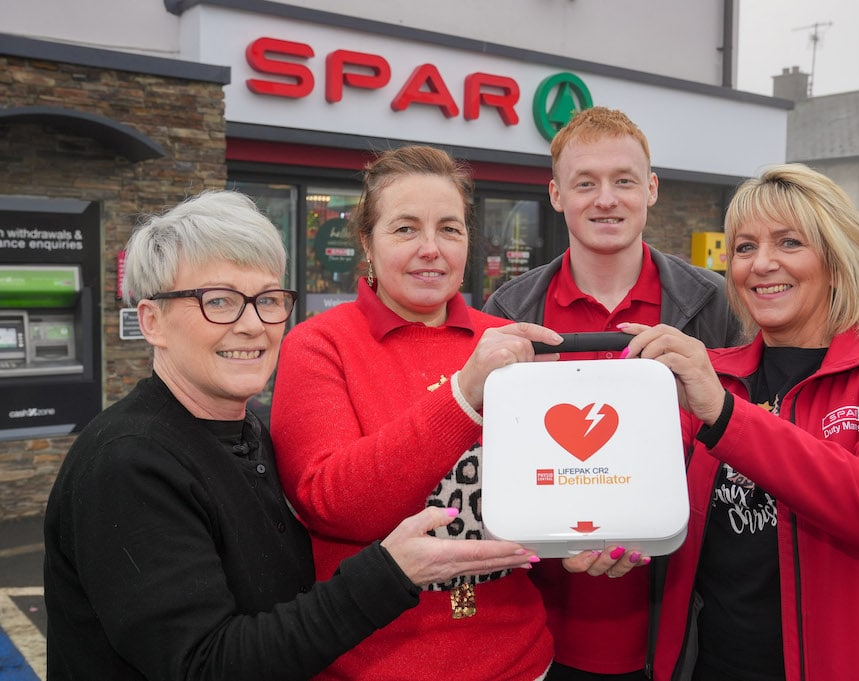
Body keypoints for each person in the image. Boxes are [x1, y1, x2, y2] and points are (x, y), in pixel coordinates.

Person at [43, 190, 542, 681]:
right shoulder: (128, 464)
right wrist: (389, 572)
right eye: (218, 301)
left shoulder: (244, 432)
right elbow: (204, 665)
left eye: (266, 300)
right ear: (152, 321)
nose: (251, 325)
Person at [616, 163, 859, 680]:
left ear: (835, 261)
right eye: (745, 248)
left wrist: (726, 417)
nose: (761, 264)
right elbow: (640, 496)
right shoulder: (711, 376)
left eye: (789, 243)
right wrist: (597, 539)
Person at [269, 145, 562, 681]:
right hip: (375, 666)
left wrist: (593, 537)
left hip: (521, 660)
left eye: (449, 229)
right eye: (406, 229)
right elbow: (332, 503)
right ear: (367, 242)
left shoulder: (503, 340)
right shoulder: (319, 345)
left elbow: (550, 489)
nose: (431, 249)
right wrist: (462, 397)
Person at [482, 106, 743, 680]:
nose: (607, 199)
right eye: (585, 183)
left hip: (683, 623)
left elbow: (746, 443)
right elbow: (483, 465)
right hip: (539, 628)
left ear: (650, 189)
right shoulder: (508, 314)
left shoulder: (714, 303)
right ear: (556, 195)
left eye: (624, 180)